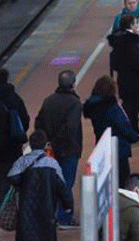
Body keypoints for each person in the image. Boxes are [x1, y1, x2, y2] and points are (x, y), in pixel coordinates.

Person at [35, 69, 82, 228]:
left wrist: (47, 141)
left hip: (51, 151)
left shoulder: (49, 100)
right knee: (66, 183)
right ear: (72, 84)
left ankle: (52, 215)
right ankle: (64, 217)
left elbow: (38, 122)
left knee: (52, 183)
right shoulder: (74, 103)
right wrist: (56, 141)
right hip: (69, 150)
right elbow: (71, 127)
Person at [8, 129, 71, 241]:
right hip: (47, 212)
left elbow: (12, 177)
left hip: (26, 213)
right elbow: (62, 188)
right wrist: (67, 206)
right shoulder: (52, 164)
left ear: (30, 145)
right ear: (45, 145)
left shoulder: (22, 162)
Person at [82, 75, 139, 185]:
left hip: (102, 145)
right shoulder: (111, 107)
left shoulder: (93, 106)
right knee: (123, 182)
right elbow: (123, 126)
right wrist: (133, 136)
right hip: (119, 149)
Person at [0, 67, 29, 216]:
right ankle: (4, 207)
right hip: (10, 147)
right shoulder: (13, 98)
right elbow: (24, 121)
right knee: (7, 178)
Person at [108, 14, 139, 136]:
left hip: (124, 79)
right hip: (135, 80)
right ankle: (131, 132)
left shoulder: (119, 41)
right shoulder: (131, 42)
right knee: (132, 108)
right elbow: (138, 62)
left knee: (130, 106)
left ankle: (134, 131)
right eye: (136, 24)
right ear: (132, 26)